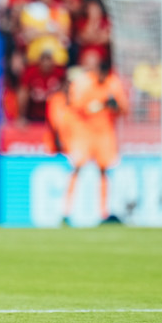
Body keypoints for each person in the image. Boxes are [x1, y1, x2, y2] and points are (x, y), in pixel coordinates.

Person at [64, 60, 128, 224]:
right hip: (84, 132)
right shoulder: (83, 83)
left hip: (105, 132)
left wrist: (115, 106)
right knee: (77, 167)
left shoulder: (113, 83)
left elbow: (123, 109)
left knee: (105, 170)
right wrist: (102, 104)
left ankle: (104, 213)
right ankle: (66, 211)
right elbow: (78, 107)